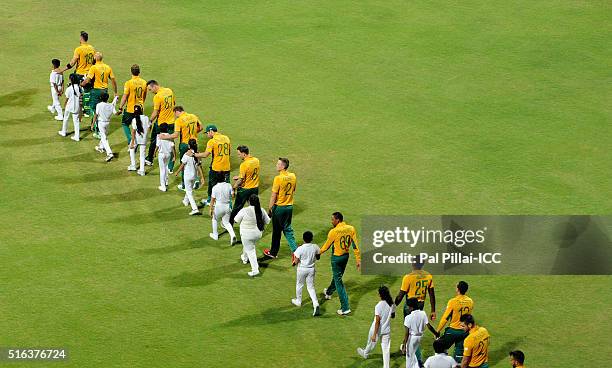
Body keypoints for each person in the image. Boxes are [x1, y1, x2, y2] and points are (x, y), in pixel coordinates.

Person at [395, 261, 437, 366]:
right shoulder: (428, 276)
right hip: (420, 305)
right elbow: (431, 294)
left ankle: (417, 359)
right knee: (414, 329)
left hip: (409, 306)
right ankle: (408, 348)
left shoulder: (408, 277)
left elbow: (400, 296)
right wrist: (433, 310)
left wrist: (392, 308)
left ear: (413, 264)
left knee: (410, 331)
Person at [319, 212, 360, 315]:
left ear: (338, 220)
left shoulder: (333, 231)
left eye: (332, 219)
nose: (331, 221)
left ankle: (345, 307)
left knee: (339, 282)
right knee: (337, 276)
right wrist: (358, 259)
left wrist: (316, 252)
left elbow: (326, 247)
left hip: (336, 258)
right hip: (345, 257)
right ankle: (328, 292)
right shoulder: (351, 229)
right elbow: (355, 245)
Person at [157, 106, 202, 190]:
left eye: (175, 114)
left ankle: (184, 185)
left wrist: (163, 137)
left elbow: (176, 135)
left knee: (184, 164)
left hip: (185, 144)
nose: (175, 116)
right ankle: (196, 180)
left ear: (176, 111)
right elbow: (201, 127)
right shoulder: (193, 116)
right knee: (195, 161)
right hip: (194, 142)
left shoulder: (179, 120)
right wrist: (193, 134)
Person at [263, 158, 297, 259]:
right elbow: (293, 189)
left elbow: (274, 195)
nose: (276, 165)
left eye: (278, 164)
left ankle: (273, 252)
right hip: (289, 207)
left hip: (280, 208)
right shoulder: (293, 176)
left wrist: (270, 208)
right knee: (287, 229)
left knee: (277, 231)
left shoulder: (278, 178)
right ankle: (296, 251)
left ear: (283, 166)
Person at [357, 285, 395, 367]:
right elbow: (393, 315)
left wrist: (374, 334)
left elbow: (377, 321)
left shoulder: (378, 306)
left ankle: (365, 353)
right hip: (386, 330)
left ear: (381, 295)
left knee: (370, 343)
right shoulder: (391, 304)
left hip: (376, 329)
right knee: (386, 350)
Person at [58, 31, 95, 116]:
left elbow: (72, 63)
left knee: (77, 91)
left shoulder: (79, 49)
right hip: (89, 74)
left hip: (80, 74)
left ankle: (77, 108)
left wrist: (63, 70)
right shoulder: (92, 49)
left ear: (81, 38)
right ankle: (87, 111)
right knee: (87, 92)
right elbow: (93, 61)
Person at [191, 125, 230, 206]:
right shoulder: (226, 138)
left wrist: (194, 154)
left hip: (216, 167)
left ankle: (210, 200)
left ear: (211, 131)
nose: (207, 135)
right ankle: (226, 202)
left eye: (207, 133)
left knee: (212, 185)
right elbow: (228, 152)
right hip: (226, 166)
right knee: (225, 185)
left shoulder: (211, 141)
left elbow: (205, 155)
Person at [436, 281, 473, 363]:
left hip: (453, 331)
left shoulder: (452, 301)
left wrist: (437, 331)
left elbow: (445, 318)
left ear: (458, 289)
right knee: (459, 354)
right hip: (464, 332)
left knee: (440, 348)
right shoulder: (470, 301)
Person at [82, 52, 117, 138]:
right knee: (101, 109)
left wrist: (81, 84)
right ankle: (97, 127)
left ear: (95, 58)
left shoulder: (93, 67)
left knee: (94, 110)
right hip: (104, 91)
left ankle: (97, 131)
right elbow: (113, 80)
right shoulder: (108, 67)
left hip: (96, 91)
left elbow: (88, 80)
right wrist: (115, 92)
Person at [234, 194, 270, 277]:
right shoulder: (261, 210)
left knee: (251, 250)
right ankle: (244, 258)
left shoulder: (244, 210)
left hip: (246, 235)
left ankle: (255, 270)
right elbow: (268, 221)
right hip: (258, 234)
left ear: (248, 201)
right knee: (248, 245)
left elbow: (236, 220)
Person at [145, 80, 175, 167]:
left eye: (150, 89)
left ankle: (150, 159)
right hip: (172, 122)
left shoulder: (157, 96)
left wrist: (150, 121)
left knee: (154, 140)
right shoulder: (169, 91)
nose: (151, 92)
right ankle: (170, 165)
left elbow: (156, 112)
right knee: (171, 142)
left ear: (154, 86)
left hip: (161, 123)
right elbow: (173, 104)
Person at [291, 231, 320, 317]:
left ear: (303, 239)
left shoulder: (300, 248)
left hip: (302, 269)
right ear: (312, 238)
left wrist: (293, 263)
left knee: (299, 284)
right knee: (311, 287)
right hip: (311, 269)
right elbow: (318, 257)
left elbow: (295, 262)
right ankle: (316, 303)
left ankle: (298, 301)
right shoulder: (315, 247)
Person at [229, 145, 260, 224]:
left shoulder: (244, 164)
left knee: (237, 207)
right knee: (254, 208)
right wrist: (239, 176)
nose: (238, 156)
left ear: (244, 154)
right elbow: (251, 173)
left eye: (239, 154)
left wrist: (234, 187)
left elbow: (241, 180)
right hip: (255, 188)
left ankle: (230, 224)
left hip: (245, 190)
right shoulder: (256, 160)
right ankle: (258, 223)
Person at [117, 64, 147, 144]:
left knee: (124, 123)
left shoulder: (129, 83)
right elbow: (144, 96)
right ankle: (137, 141)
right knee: (138, 124)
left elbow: (125, 96)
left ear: (131, 72)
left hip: (130, 108)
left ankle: (131, 140)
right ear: (139, 72)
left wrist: (120, 107)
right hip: (140, 108)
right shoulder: (144, 82)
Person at [174, 139, 200, 215]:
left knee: (189, 192)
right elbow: (199, 165)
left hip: (187, 176)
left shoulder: (186, 154)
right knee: (190, 189)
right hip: (194, 175)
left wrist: (177, 172)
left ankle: (195, 208)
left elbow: (182, 165)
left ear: (189, 146)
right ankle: (185, 201)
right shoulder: (197, 154)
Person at [209, 171, 236, 244]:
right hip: (227, 207)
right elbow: (233, 196)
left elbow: (212, 200)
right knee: (226, 222)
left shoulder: (215, 187)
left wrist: (210, 209)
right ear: (224, 178)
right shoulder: (229, 185)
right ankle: (232, 235)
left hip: (218, 207)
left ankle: (215, 235)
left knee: (214, 219)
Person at [401, 298, 428, 368]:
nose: (407, 308)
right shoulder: (423, 313)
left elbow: (407, 333)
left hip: (412, 338)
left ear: (411, 307)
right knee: (414, 355)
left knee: (409, 357)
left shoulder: (408, 317)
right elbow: (429, 326)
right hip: (419, 337)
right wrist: (436, 333)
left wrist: (404, 345)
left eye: (408, 306)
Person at [93, 92, 117, 162]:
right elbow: (116, 113)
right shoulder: (111, 105)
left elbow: (96, 115)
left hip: (101, 123)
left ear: (101, 98)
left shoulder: (99, 105)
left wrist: (93, 124)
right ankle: (101, 147)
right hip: (108, 123)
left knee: (104, 138)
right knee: (104, 135)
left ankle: (109, 153)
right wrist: (120, 111)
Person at [128, 105, 151, 176]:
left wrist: (132, 142)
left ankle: (133, 165)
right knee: (142, 154)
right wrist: (147, 134)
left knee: (131, 149)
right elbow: (150, 126)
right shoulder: (146, 118)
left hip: (136, 139)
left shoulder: (134, 120)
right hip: (144, 138)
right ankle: (142, 170)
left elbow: (133, 131)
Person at [59, 73, 82, 142]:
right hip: (76, 107)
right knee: (76, 121)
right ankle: (77, 136)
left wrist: (65, 104)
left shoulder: (69, 88)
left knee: (66, 119)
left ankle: (64, 132)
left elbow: (67, 98)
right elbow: (81, 97)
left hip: (69, 106)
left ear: (70, 80)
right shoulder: (79, 88)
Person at [155, 123, 175, 192]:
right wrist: (174, 156)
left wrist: (154, 153)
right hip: (168, 154)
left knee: (162, 170)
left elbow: (157, 146)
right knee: (166, 168)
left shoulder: (159, 136)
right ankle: (166, 182)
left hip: (161, 154)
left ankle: (163, 186)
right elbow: (173, 147)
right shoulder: (170, 136)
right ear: (167, 129)